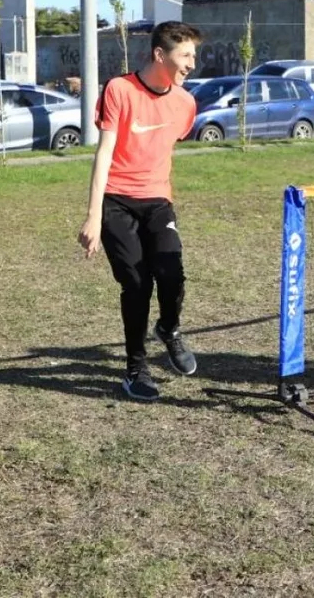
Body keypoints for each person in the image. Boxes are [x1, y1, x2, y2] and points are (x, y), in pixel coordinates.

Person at [77, 22, 202, 402]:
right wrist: (93, 216)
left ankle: (169, 328)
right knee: (136, 283)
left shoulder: (185, 103)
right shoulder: (119, 90)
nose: (192, 64)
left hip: (158, 200)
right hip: (116, 200)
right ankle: (136, 368)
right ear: (160, 55)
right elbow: (104, 154)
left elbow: (166, 145)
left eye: (194, 56)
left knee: (172, 273)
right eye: (185, 56)